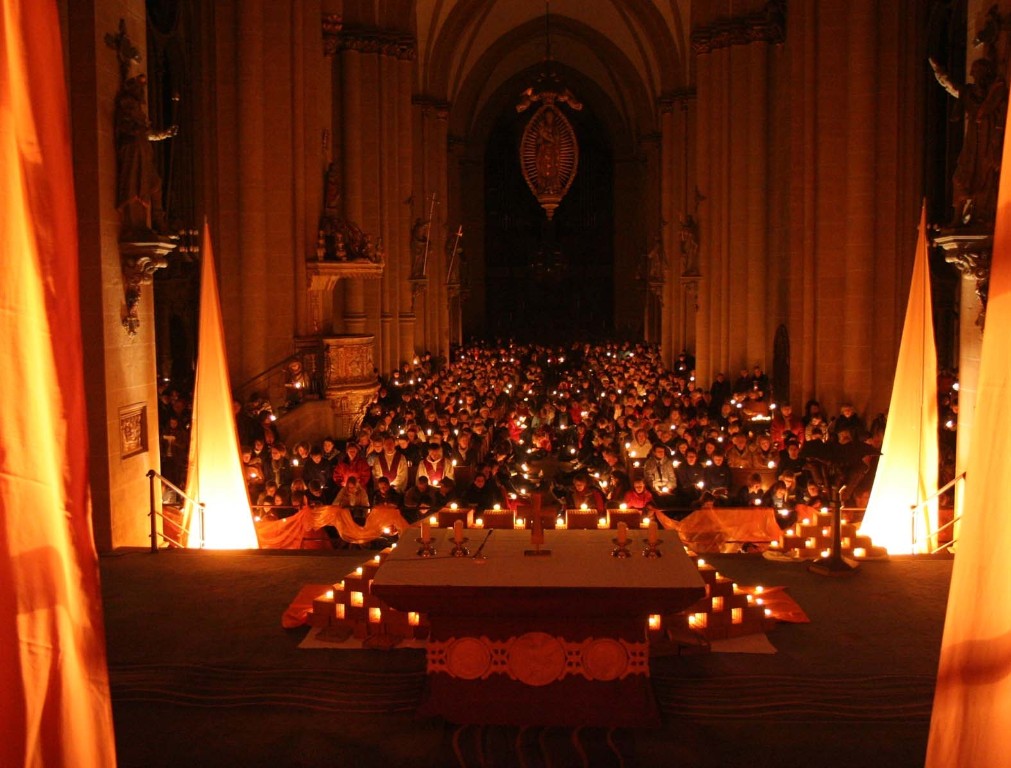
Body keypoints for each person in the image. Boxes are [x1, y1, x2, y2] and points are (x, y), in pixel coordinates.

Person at [930, 56, 1008, 225]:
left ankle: (983, 216)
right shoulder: (968, 93)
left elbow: (1002, 119)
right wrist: (939, 72)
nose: (974, 76)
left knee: (987, 180)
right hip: (973, 144)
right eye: (974, 73)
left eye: (978, 72)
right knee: (961, 177)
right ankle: (958, 215)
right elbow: (951, 86)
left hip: (989, 143)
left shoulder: (997, 92)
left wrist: (996, 145)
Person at [114, 73, 176, 238]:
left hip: (143, 151)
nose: (142, 92)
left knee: (155, 184)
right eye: (140, 88)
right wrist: (140, 131)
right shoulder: (127, 105)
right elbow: (127, 127)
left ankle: (159, 221)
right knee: (137, 186)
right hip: (134, 152)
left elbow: (147, 132)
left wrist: (163, 134)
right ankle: (136, 224)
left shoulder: (137, 108)